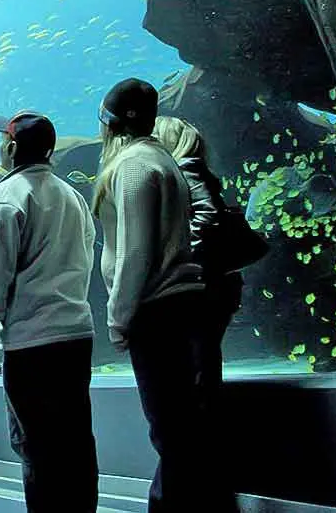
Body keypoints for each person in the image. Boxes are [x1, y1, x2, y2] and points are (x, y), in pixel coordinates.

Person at [92, 78, 233, 512]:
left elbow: (136, 250)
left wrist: (118, 317)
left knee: (171, 430)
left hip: (159, 311)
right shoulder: (162, 159)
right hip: (181, 307)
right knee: (188, 427)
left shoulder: (133, 165)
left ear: (112, 123)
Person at [0, 111, 99, 512]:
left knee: (38, 445)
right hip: (76, 335)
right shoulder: (73, 196)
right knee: (77, 441)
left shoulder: (5, 197)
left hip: (32, 342)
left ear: (10, 147)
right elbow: (86, 258)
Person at [153, 117, 244, 411]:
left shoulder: (185, 169)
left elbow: (209, 216)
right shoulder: (197, 168)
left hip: (205, 285)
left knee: (198, 367)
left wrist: (177, 253)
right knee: (203, 360)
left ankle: (202, 433)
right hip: (217, 282)